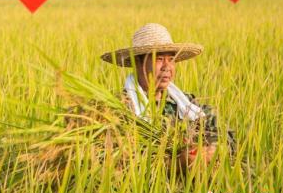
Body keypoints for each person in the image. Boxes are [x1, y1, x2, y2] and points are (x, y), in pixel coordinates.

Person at [100, 23, 236, 172]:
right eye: (159, 59)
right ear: (137, 62)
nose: (167, 67)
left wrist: (211, 149)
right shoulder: (121, 108)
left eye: (171, 59)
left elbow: (225, 133)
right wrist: (174, 164)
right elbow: (115, 161)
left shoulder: (186, 103)